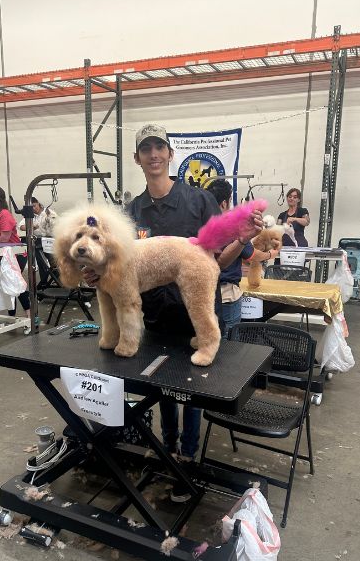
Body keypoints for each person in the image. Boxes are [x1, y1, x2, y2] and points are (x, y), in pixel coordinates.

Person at [126, 124, 263, 501]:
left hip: (194, 320)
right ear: (137, 159)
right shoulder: (133, 211)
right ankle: (166, 451)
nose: (153, 154)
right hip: (155, 320)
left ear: (170, 155)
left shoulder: (198, 201)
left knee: (190, 393)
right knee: (160, 390)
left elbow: (219, 260)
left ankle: (186, 460)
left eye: (159, 147)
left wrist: (242, 239)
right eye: (145, 149)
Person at [206, 179, 280, 338]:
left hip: (205, 294)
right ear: (225, 202)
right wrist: (270, 255)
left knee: (209, 338)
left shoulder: (203, 224)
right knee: (229, 341)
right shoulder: (232, 227)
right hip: (227, 294)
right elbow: (252, 255)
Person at [0, 186, 30, 318]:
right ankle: (12, 317)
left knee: (14, 283)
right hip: (2, 253)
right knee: (9, 283)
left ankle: (30, 315)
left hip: (16, 254)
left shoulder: (4, 214)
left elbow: (4, 238)